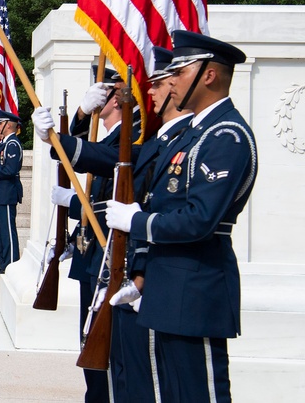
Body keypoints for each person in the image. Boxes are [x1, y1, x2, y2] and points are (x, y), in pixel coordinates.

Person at [105, 31, 256, 403]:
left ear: (209, 75)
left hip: (197, 284)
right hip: (171, 282)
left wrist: (136, 222)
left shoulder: (226, 135)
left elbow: (199, 219)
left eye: (180, 71)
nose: (171, 81)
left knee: (198, 393)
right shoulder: (195, 133)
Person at [35, 48, 191, 403]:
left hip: (111, 249)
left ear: (120, 97)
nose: (97, 95)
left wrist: (72, 201)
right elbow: (88, 148)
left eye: (103, 90)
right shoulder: (114, 134)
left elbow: (108, 177)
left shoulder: (134, 137)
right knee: (92, 344)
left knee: (110, 355)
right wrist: (76, 115)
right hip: (93, 248)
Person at [0, 110, 24, 277]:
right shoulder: (5, 143)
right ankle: (3, 259)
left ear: (8, 125)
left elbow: (10, 169)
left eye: (0, 124)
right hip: (1, 193)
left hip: (7, 193)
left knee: (8, 230)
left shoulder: (13, 144)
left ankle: (11, 264)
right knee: (1, 230)